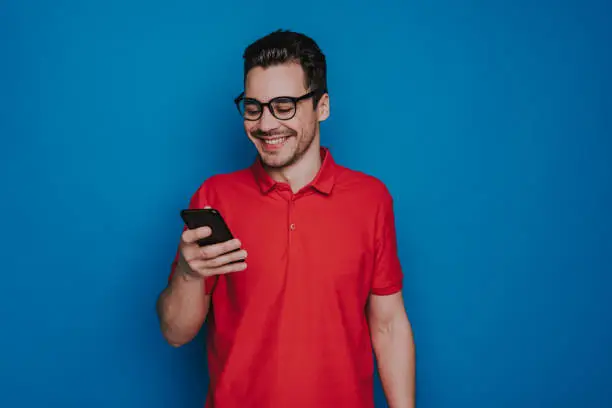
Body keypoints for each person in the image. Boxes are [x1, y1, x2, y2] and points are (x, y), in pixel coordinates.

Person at [156, 29, 416, 408]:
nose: (265, 124)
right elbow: (175, 333)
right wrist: (188, 273)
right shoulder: (215, 198)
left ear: (322, 106)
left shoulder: (371, 199)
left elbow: (389, 325)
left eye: (283, 106)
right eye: (253, 106)